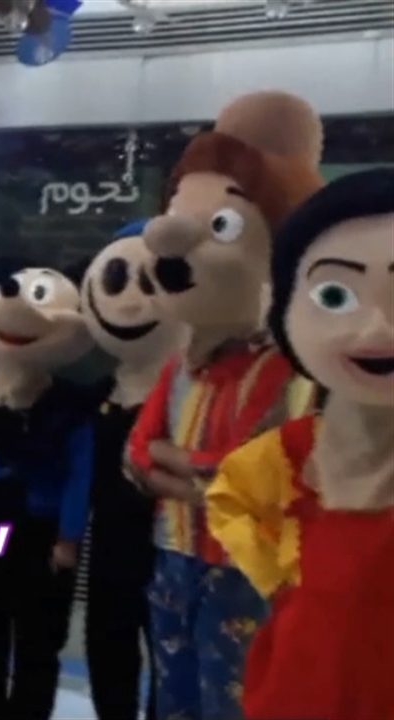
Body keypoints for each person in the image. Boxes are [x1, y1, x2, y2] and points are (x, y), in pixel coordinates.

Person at [126, 90, 325, 719]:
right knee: (171, 694)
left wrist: (180, 466)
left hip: (244, 567)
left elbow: (249, 474)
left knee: (234, 699)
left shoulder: (288, 369)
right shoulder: (182, 365)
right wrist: (192, 474)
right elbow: (136, 455)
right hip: (173, 553)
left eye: (223, 225)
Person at [206, 167, 394, 720]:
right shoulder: (278, 461)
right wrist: (283, 579)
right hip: (299, 686)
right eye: (334, 295)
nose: (376, 330)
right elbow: (232, 501)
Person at [0, 257, 96, 720]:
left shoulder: (72, 407)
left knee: (39, 639)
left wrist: (69, 536)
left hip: (43, 533)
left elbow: (81, 474)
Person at [77, 224, 184, 720]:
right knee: (106, 642)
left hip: (174, 543)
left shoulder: (193, 394)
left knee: (171, 652)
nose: (130, 302)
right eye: (116, 281)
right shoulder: (98, 392)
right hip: (109, 541)